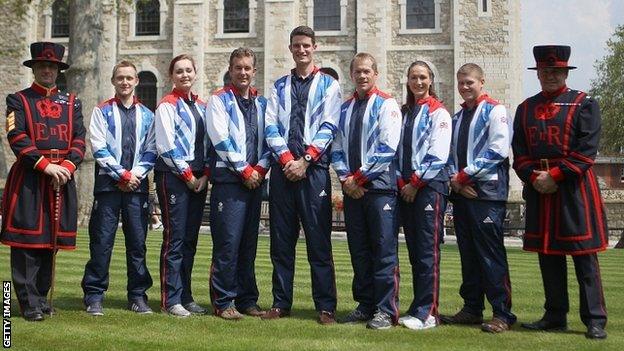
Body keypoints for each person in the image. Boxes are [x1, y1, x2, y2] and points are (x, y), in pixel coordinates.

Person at [513, 45, 608, 339]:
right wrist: (534, 176)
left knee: (583, 255)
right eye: (545, 71)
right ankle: (555, 314)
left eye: (556, 71)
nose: (550, 76)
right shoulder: (525, 108)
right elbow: (519, 153)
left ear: (565, 72)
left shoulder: (584, 103)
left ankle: (594, 319)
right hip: (539, 188)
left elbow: (586, 153)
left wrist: (555, 175)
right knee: (548, 254)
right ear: (538, 73)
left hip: (574, 190)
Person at [1, 42, 86, 321]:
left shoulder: (72, 102)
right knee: (27, 244)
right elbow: (18, 138)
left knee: (50, 243)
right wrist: (46, 166)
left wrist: (67, 166)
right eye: (42, 66)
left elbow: (79, 139)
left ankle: (40, 296)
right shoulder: (18, 99)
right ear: (34, 69)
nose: (47, 70)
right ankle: (28, 303)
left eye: (52, 66)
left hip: (62, 177)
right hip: (30, 179)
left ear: (58, 70)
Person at [263, 26, 342, 324]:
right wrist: (287, 160)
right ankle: (281, 302)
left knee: (318, 241)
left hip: (314, 171)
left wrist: (306, 160)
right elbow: (271, 125)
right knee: (281, 242)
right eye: (297, 45)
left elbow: (329, 126)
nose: (302, 50)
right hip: (283, 171)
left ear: (315, 47)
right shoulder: (279, 86)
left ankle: (325, 307)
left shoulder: (329, 85)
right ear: (291, 48)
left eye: (306, 45)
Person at [441, 63, 516, 333]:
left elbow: (498, 149)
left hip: (487, 193)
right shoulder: (457, 118)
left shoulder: (495, 110)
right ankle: (472, 308)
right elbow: (449, 155)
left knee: (490, 253)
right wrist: (456, 181)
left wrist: (465, 176)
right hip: (463, 194)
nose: (464, 87)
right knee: (468, 254)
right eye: (461, 83)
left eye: (469, 82)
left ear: (481, 82)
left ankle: (502, 313)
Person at [331, 53, 402, 330]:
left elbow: (387, 149)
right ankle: (365, 304)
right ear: (352, 75)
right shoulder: (345, 109)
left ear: (375, 73)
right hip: (352, 190)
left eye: (367, 71)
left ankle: (386, 309)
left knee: (383, 250)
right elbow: (336, 148)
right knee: (359, 250)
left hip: (379, 189)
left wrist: (358, 179)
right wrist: (346, 179)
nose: (362, 76)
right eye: (357, 72)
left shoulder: (387, 104)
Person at [81, 60, 156, 316]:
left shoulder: (147, 115)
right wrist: (122, 175)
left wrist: (134, 175)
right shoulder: (101, 112)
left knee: (137, 244)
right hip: (108, 187)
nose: (125, 82)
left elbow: (151, 150)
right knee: (101, 242)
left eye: (129, 78)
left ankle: (137, 295)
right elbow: (99, 148)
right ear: (113, 81)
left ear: (136, 81)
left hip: (137, 187)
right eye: (120, 78)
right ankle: (94, 295)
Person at [205, 47, 271, 320]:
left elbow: (270, 139)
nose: (243, 73)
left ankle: (247, 300)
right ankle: (223, 301)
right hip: (229, 180)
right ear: (230, 70)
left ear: (254, 72)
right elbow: (221, 139)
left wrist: (259, 169)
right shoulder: (218, 100)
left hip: (255, 181)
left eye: (247, 68)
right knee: (228, 243)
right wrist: (245, 170)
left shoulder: (262, 103)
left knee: (248, 244)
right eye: (238, 68)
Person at [396, 61, 452, 330]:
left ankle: (429, 312)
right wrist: (401, 182)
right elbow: (398, 152)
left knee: (428, 252)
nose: (418, 82)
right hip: (407, 189)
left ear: (430, 80)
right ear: (407, 82)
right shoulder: (406, 113)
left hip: (428, 189)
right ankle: (418, 306)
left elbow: (437, 155)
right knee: (416, 253)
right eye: (413, 78)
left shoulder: (438, 112)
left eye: (423, 78)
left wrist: (415, 184)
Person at [154, 54, 209, 317]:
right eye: (179, 71)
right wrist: (188, 176)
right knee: (174, 239)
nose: (184, 75)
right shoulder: (167, 105)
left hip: (198, 178)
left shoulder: (202, 106)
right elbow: (166, 147)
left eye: (188, 70)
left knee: (190, 240)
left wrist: (204, 176)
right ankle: (170, 299)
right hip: (174, 177)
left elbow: (209, 144)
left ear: (195, 73)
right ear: (171, 76)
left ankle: (186, 295)